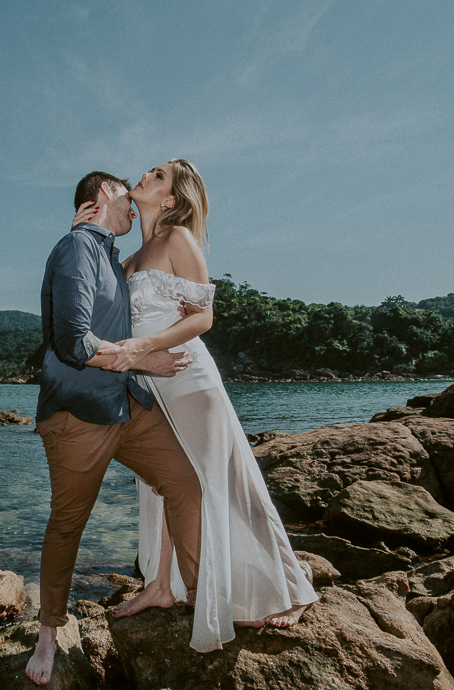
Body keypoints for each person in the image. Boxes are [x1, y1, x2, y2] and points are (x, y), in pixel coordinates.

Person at [75, 159, 318, 652]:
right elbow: (97, 317)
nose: (145, 175)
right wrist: (79, 231)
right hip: (149, 386)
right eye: (150, 170)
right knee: (163, 483)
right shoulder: (127, 260)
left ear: (170, 199)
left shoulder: (178, 239)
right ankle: (161, 586)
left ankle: (287, 589)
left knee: (222, 480)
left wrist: (143, 350)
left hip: (188, 379)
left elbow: (203, 317)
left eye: (158, 175)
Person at [26, 171, 200, 685]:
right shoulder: (76, 249)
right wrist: (145, 360)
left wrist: (141, 366)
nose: (133, 200)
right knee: (68, 524)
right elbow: (74, 342)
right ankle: (47, 633)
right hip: (77, 412)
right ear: (104, 194)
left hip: (128, 407)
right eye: (126, 191)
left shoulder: (101, 250)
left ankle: (198, 594)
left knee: (185, 483)